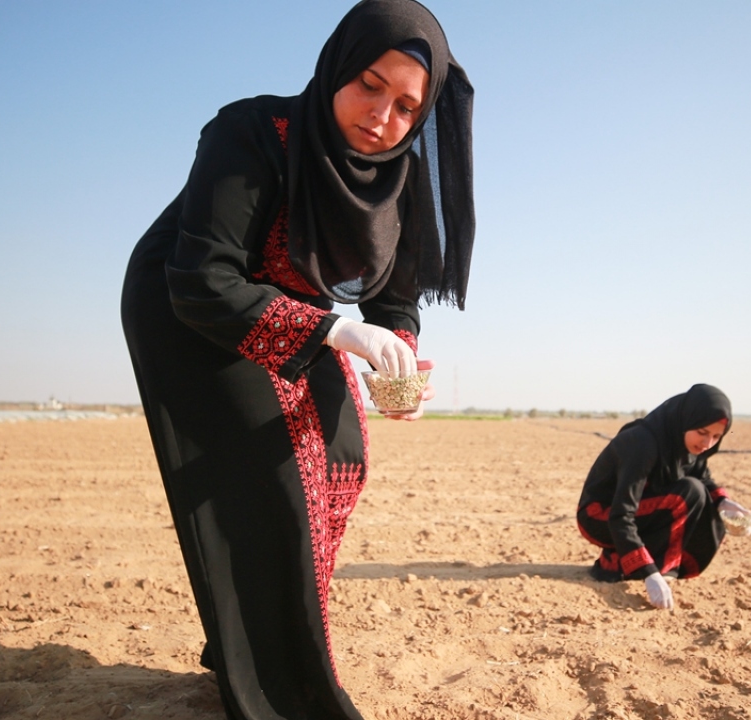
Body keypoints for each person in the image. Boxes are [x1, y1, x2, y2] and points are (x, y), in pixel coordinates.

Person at [119, 1, 474, 717]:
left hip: (296, 312)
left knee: (342, 455)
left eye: (408, 105)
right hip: (187, 304)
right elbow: (205, 279)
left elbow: (396, 297)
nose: (382, 115)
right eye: (370, 84)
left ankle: (248, 638)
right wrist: (343, 335)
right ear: (340, 64)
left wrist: (396, 351)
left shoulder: (396, 182)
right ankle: (280, 683)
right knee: (275, 474)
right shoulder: (253, 131)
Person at [576, 384, 751, 611]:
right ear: (687, 420)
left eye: (716, 436)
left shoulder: (690, 446)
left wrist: (724, 504)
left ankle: (660, 566)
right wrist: (648, 573)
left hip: (638, 510)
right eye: (702, 432)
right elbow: (621, 514)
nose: (707, 443)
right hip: (599, 516)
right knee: (688, 493)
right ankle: (619, 564)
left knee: (698, 492)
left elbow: (704, 480)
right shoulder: (643, 443)